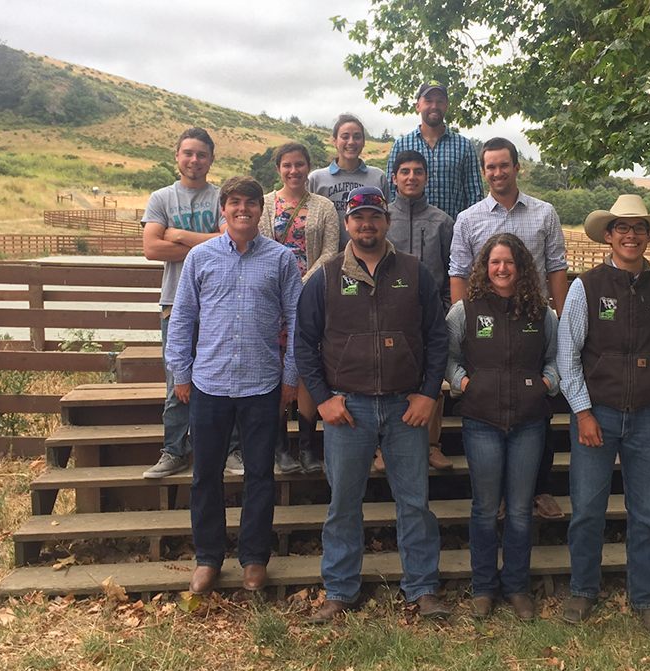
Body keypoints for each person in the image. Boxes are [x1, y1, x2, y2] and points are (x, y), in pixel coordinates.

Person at [294, 186, 450, 623]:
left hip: (406, 408)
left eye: (374, 217)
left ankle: (422, 588)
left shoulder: (415, 272)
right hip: (348, 410)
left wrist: (428, 393)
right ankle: (339, 591)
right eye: (358, 217)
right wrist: (322, 400)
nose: (367, 224)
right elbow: (304, 346)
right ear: (347, 224)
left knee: (414, 502)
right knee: (343, 502)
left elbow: (438, 338)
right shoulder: (324, 277)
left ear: (386, 222)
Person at [558, 194, 650, 636]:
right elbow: (568, 353)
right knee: (586, 511)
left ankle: (646, 599)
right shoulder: (587, 286)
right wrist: (581, 411)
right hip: (596, 413)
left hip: (648, 418)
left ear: (649, 235)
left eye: (639, 228)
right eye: (623, 228)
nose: (631, 235)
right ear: (609, 235)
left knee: (647, 516)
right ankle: (583, 590)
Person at [165, 175, 302, 595]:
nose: (243, 209)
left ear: (262, 210)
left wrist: (291, 377)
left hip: (262, 386)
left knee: (260, 475)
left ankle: (254, 558)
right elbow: (183, 316)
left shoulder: (281, 260)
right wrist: (181, 373)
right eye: (235, 203)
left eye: (251, 203)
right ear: (223, 209)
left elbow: (296, 321)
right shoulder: (200, 258)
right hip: (209, 384)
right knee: (205, 474)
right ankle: (207, 558)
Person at [448, 137, 569, 521]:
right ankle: (495, 494)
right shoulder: (468, 218)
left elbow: (556, 267)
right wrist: (463, 317)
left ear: (518, 167)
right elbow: (459, 273)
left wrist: (562, 321)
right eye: (490, 167)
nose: (497, 172)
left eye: (504, 165)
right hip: (486, 322)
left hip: (531, 319)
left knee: (536, 406)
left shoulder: (544, 213)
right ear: (483, 172)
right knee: (489, 406)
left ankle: (540, 488)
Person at [445, 233, 559, 621]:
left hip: (529, 421)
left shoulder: (542, 313)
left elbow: (557, 359)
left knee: (522, 510)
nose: (502, 269)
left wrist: (546, 384)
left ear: (522, 267)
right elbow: (446, 353)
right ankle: (483, 587)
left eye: (510, 262)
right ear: (484, 266)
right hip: (481, 421)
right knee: (484, 508)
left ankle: (516, 586)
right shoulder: (466, 310)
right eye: (495, 262)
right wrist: (463, 383)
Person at [140, 127, 240, 479]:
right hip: (174, 301)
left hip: (219, 302)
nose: (194, 160)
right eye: (188, 153)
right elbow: (151, 248)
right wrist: (208, 240)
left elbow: (232, 238)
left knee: (226, 378)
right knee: (176, 381)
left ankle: (230, 451)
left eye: (201, 154)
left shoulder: (222, 197)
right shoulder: (161, 198)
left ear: (212, 159)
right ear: (177, 157)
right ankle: (174, 450)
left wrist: (179, 235)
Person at [261, 142, 339, 475]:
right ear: (278, 168)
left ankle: (308, 446)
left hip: (311, 297)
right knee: (276, 368)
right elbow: (260, 246)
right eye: (287, 165)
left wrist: (302, 281)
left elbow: (331, 252)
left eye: (300, 164)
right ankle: (280, 448)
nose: (294, 171)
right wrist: (282, 285)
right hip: (270, 299)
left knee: (308, 368)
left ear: (309, 167)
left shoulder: (324, 206)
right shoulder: (264, 204)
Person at [386, 149, 454, 471]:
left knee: (432, 379)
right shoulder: (382, 218)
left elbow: (452, 269)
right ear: (395, 177)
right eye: (405, 171)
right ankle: (383, 448)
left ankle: (431, 445)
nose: (411, 177)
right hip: (388, 313)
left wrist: (444, 309)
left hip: (430, 314)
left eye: (418, 171)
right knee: (388, 378)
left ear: (426, 177)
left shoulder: (442, 221)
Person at [386, 80, 483, 221]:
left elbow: (475, 197)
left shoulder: (464, 146)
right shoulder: (401, 146)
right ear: (418, 106)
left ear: (446, 106)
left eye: (440, 101)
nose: (434, 106)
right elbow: (391, 193)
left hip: (454, 235)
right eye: (428, 101)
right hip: (409, 232)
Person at [308, 114, 390, 248]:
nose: (351, 142)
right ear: (334, 141)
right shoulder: (316, 179)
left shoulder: (378, 177)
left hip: (368, 253)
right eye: (345, 137)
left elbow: (385, 219)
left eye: (357, 137)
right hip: (325, 256)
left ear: (363, 141)